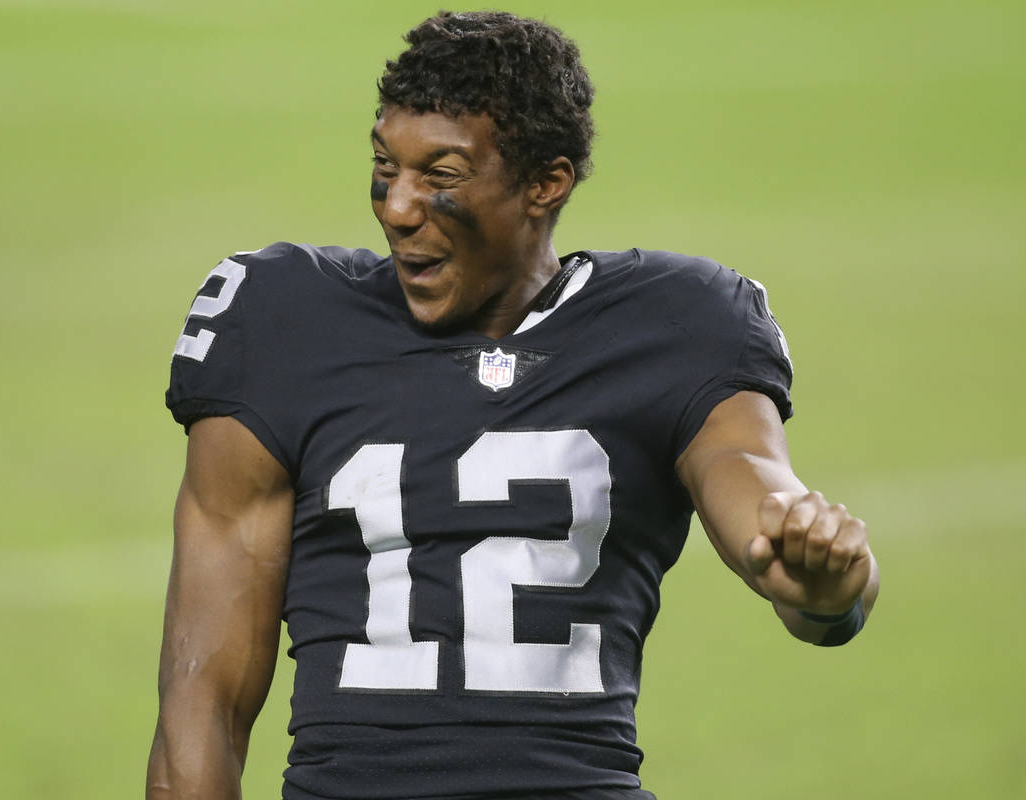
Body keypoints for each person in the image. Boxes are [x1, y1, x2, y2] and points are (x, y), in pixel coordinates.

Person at [147, 10, 880, 800]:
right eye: (385, 165)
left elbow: (754, 490)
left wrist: (823, 582)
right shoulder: (282, 321)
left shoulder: (680, 322)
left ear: (545, 183)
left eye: (443, 174)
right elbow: (202, 701)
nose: (397, 205)